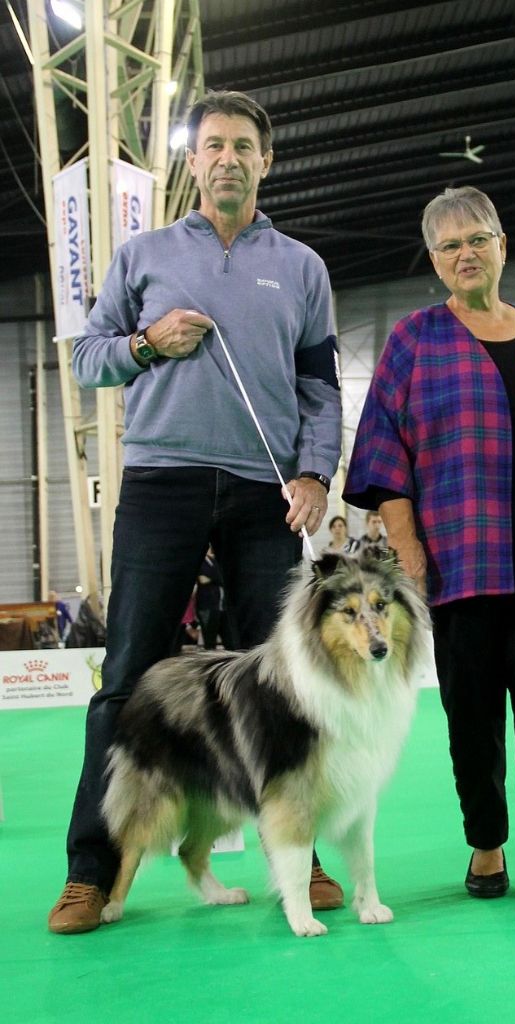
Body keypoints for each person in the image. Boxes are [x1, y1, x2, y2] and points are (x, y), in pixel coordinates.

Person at [48, 89, 343, 935]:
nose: (227, 158)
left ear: (265, 161)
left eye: (243, 145)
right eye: (212, 144)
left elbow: (321, 390)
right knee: (129, 676)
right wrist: (149, 343)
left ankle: (303, 860)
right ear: (192, 161)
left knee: (288, 687)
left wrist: (317, 473)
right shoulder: (143, 254)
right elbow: (91, 360)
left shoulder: (301, 267)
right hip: (161, 483)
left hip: (265, 496)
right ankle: (92, 872)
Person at [343, 185, 515, 904]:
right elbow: (384, 462)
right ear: (435, 261)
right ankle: (487, 847)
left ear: (502, 246)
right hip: (461, 567)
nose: (466, 253)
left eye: (478, 239)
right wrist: (410, 553)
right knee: (472, 720)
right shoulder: (412, 342)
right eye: (449, 245)